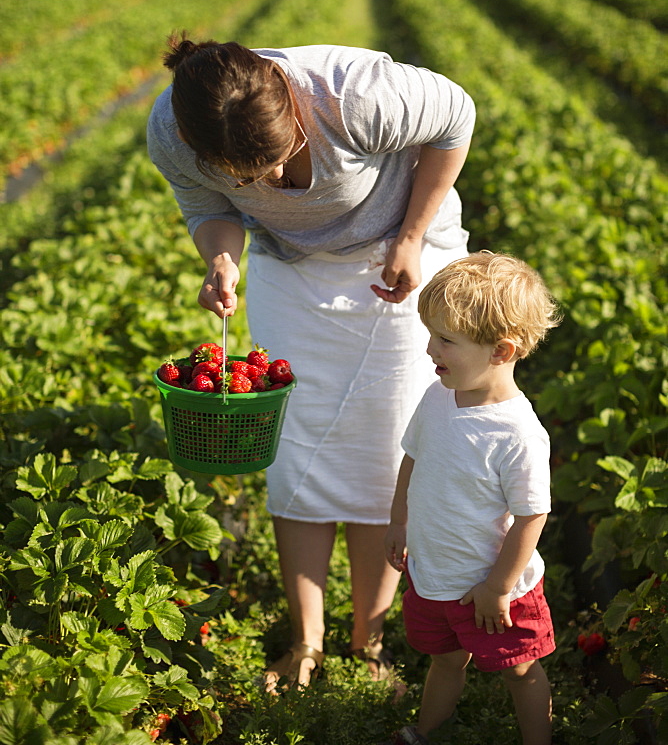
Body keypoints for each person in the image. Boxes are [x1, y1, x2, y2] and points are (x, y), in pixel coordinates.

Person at [147, 37, 475, 691]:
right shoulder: (172, 131)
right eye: (246, 177)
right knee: (295, 449)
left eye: (277, 160)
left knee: (385, 452)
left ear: (296, 115)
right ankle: (307, 641)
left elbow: (456, 117)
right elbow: (208, 210)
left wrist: (411, 237)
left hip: (396, 257)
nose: (268, 183)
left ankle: (368, 640)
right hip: (291, 272)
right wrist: (221, 259)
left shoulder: (355, 96)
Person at [381, 252, 561, 745]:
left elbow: (531, 516)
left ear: (501, 351)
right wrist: (399, 523)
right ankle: (427, 731)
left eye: (446, 340)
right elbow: (413, 460)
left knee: (519, 671)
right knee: (444, 659)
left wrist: (499, 587)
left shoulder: (516, 433)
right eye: (431, 334)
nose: (429, 349)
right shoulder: (439, 395)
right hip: (435, 573)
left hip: (493, 589)